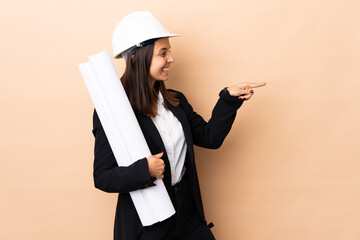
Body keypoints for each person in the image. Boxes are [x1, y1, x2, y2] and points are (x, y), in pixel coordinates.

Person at [92, 11, 266, 240]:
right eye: (162, 53)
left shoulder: (176, 101)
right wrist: (145, 170)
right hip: (149, 223)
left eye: (169, 52)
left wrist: (228, 99)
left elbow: (209, 138)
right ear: (136, 58)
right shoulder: (115, 114)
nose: (171, 59)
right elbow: (103, 177)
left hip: (187, 213)